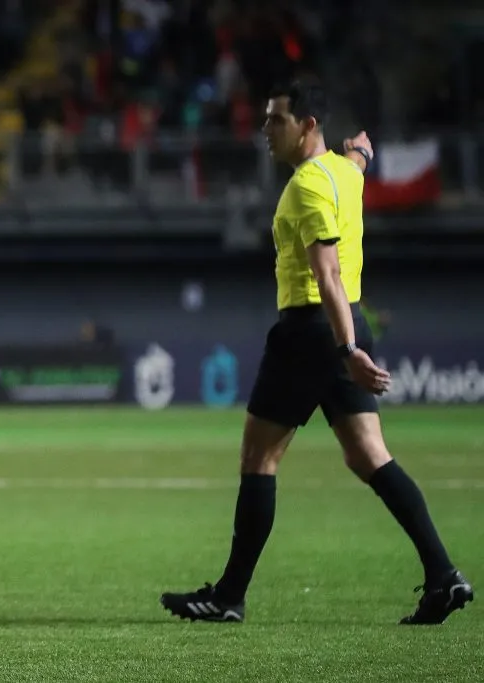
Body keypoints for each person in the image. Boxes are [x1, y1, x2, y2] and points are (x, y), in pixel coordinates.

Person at [160, 81, 472, 625]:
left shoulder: (306, 186)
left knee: (260, 459)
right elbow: (356, 161)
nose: (265, 129)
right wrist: (362, 151)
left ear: (306, 126)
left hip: (313, 330)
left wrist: (345, 347)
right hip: (346, 323)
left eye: (275, 120)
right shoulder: (343, 173)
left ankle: (229, 595)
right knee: (369, 456)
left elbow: (325, 272)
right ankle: (444, 576)